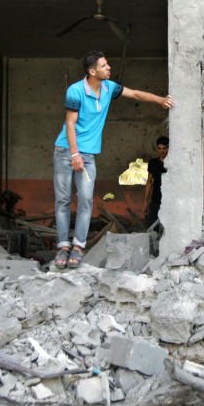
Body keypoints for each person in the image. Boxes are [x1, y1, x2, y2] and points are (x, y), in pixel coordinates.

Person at [53, 50, 173, 268]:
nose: (109, 68)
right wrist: (74, 154)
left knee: (86, 200)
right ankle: (63, 246)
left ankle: (78, 247)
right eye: (104, 65)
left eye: (108, 64)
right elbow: (70, 124)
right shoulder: (76, 91)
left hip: (88, 155)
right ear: (92, 71)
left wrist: (160, 100)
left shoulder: (109, 88)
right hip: (65, 151)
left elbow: (135, 94)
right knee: (63, 200)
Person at [144, 136, 169, 229]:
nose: (162, 151)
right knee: (153, 228)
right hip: (156, 200)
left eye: (164, 148)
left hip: (170, 201)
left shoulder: (174, 163)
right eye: (159, 149)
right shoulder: (153, 163)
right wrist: (145, 202)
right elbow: (149, 182)